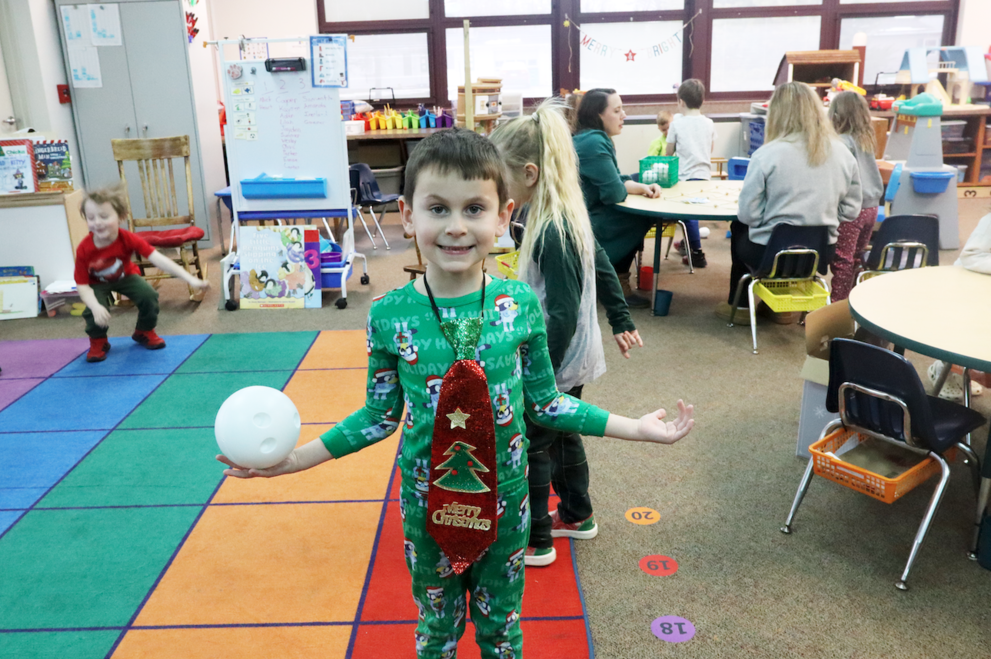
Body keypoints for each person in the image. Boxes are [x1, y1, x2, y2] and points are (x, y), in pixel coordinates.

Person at [218, 128, 694, 659]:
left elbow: (547, 402)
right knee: (437, 634)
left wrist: (636, 428)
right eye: (437, 208)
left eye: (474, 208)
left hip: (506, 504)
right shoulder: (388, 315)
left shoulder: (518, 305)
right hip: (428, 508)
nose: (456, 227)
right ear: (408, 214)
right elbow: (379, 416)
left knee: (501, 633)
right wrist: (293, 461)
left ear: (502, 215)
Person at [490, 101, 644, 567]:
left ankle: (536, 539)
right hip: (572, 353)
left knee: (533, 441)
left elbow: (561, 312)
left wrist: (536, 374)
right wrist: (621, 319)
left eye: (501, 178)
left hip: (555, 356)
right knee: (563, 431)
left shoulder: (552, 228)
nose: (496, 189)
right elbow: (601, 262)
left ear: (530, 173)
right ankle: (577, 514)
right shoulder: (562, 212)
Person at [719, 81, 862, 325]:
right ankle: (782, 310)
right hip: (818, 253)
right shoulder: (843, 153)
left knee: (738, 228)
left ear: (776, 113)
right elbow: (851, 210)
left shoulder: (766, 155)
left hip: (770, 252)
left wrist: (774, 214)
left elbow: (748, 215)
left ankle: (741, 305)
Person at [75, 185, 209, 362]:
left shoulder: (127, 238)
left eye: (104, 216)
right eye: (91, 218)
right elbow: (82, 286)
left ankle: (144, 330)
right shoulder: (85, 249)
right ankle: (98, 339)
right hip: (96, 283)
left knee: (148, 295)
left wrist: (191, 279)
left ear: (121, 217)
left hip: (125, 276)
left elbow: (159, 260)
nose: (97, 222)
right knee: (94, 311)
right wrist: (95, 306)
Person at [573, 89, 662, 309]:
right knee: (638, 217)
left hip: (585, 212)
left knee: (635, 212)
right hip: (578, 222)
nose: (624, 115)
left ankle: (614, 278)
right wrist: (627, 187)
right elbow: (614, 193)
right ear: (599, 115)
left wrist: (642, 187)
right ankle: (611, 280)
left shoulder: (594, 138)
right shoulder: (593, 142)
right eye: (617, 110)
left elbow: (618, 179)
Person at [927, 209, 991, 400]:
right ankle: (945, 369)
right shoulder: (989, 222)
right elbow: (969, 256)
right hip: (968, 290)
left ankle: (960, 371)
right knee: (967, 342)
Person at [828, 91, 883, 302]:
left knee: (843, 260)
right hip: (872, 207)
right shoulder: (865, 138)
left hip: (854, 209)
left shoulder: (841, 142)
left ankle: (837, 307)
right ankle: (854, 302)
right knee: (857, 258)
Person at [666, 79, 715, 268]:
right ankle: (687, 244)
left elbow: (669, 153)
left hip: (684, 178)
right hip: (704, 175)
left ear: (681, 102)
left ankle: (697, 254)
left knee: (689, 214)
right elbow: (710, 148)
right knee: (692, 212)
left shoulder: (677, 124)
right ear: (702, 101)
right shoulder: (709, 123)